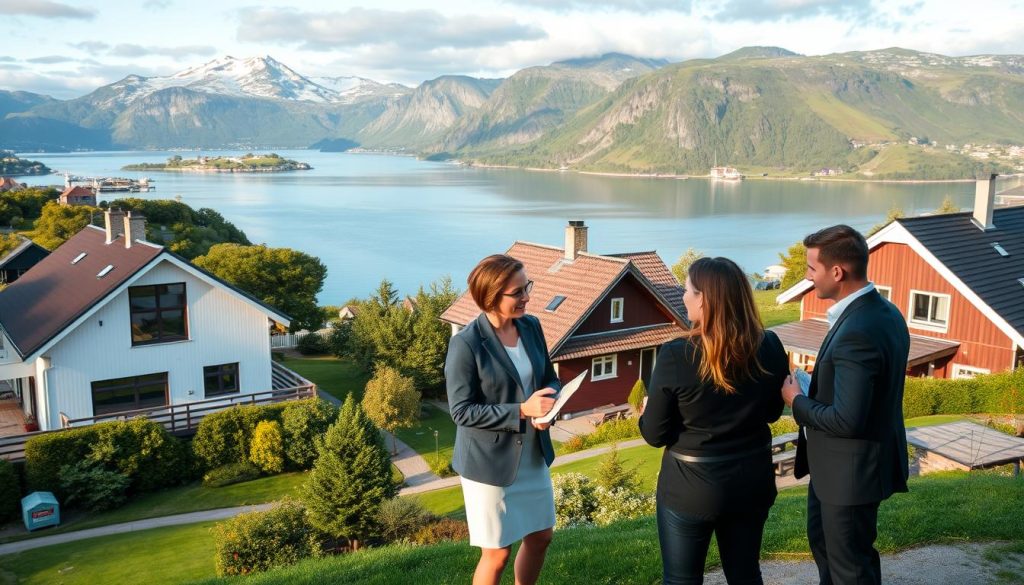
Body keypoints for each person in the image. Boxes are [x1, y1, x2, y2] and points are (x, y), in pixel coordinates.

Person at [640, 257, 789, 585]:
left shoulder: (677, 354)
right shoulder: (770, 345)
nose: (683, 297)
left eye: (688, 290)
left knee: (681, 580)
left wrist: (647, 412)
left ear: (704, 298)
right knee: (746, 574)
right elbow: (773, 412)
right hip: (751, 481)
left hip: (691, 489)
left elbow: (655, 433)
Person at [781, 224, 910, 585]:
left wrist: (797, 400)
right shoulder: (885, 311)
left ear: (837, 272)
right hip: (842, 470)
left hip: (850, 474)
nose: (807, 277)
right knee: (832, 556)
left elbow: (848, 419)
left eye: (811, 269)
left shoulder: (858, 331)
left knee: (850, 569)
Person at [445, 254, 561, 585]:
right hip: (489, 465)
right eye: (518, 292)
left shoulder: (532, 326)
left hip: (532, 455)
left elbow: (549, 379)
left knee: (541, 537)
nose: (527, 297)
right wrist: (523, 410)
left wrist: (548, 404)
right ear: (491, 296)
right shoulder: (466, 344)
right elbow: (462, 411)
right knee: (497, 554)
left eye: (527, 287)